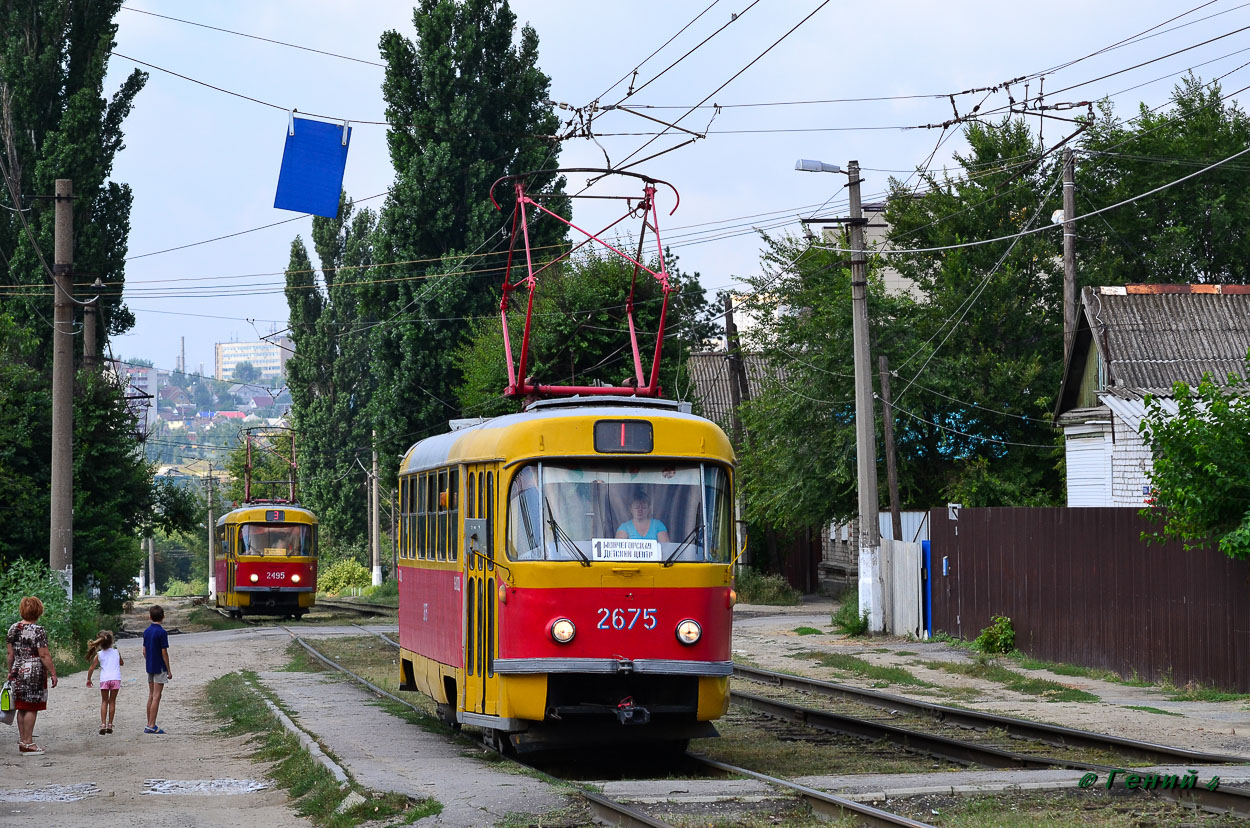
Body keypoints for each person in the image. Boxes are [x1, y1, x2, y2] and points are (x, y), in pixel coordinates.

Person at [5, 596, 58, 755]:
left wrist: (10, 671)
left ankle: (23, 741)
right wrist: (53, 673)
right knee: (31, 707)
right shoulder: (38, 630)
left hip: (17, 669)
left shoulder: (13, 628)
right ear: (38, 611)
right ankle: (28, 743)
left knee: (21, 707)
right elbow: (44, 655)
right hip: (34, 672)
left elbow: (10, 654)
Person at [85, 630, 124, 735]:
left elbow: (92, 668)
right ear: (111, 642)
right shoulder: (116, 652)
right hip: (115, 678)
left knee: (104, 701)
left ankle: (103, 724)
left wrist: (89, 679)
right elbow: (121, 663)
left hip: (104, 679)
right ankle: (110, 724)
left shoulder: (99, 654)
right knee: (112, 701)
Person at [142, 605, 172, 734]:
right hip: (160, 666)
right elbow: (164, 652)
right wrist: (169, 670)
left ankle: (149, 722)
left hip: (150, 666)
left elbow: (144, 651)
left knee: (151, 695)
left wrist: (149, 660)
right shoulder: (162, 632)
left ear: (150, 617)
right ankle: (152, 725)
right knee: (157, 696)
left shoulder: (147, 631)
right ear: (163, 617)